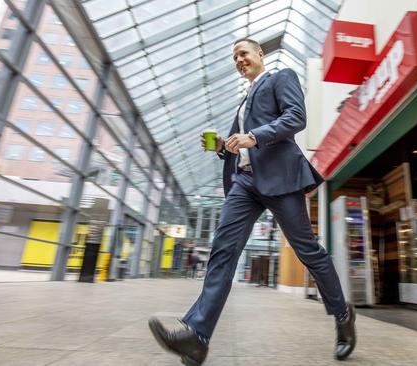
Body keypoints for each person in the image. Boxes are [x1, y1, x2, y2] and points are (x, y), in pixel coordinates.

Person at [148, 38, 355, 366]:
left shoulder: (280, 77)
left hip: (280, 178)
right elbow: (238, 144)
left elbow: (295, 118)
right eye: (234, 57)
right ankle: (197, 336)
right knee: (223, 250)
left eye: (243, 53)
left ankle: (343, 316)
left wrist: (255, 136)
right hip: (244, 183)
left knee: (308, 251)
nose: (239, 60)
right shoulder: (244, 102)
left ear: (260, 54)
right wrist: (222, 145)